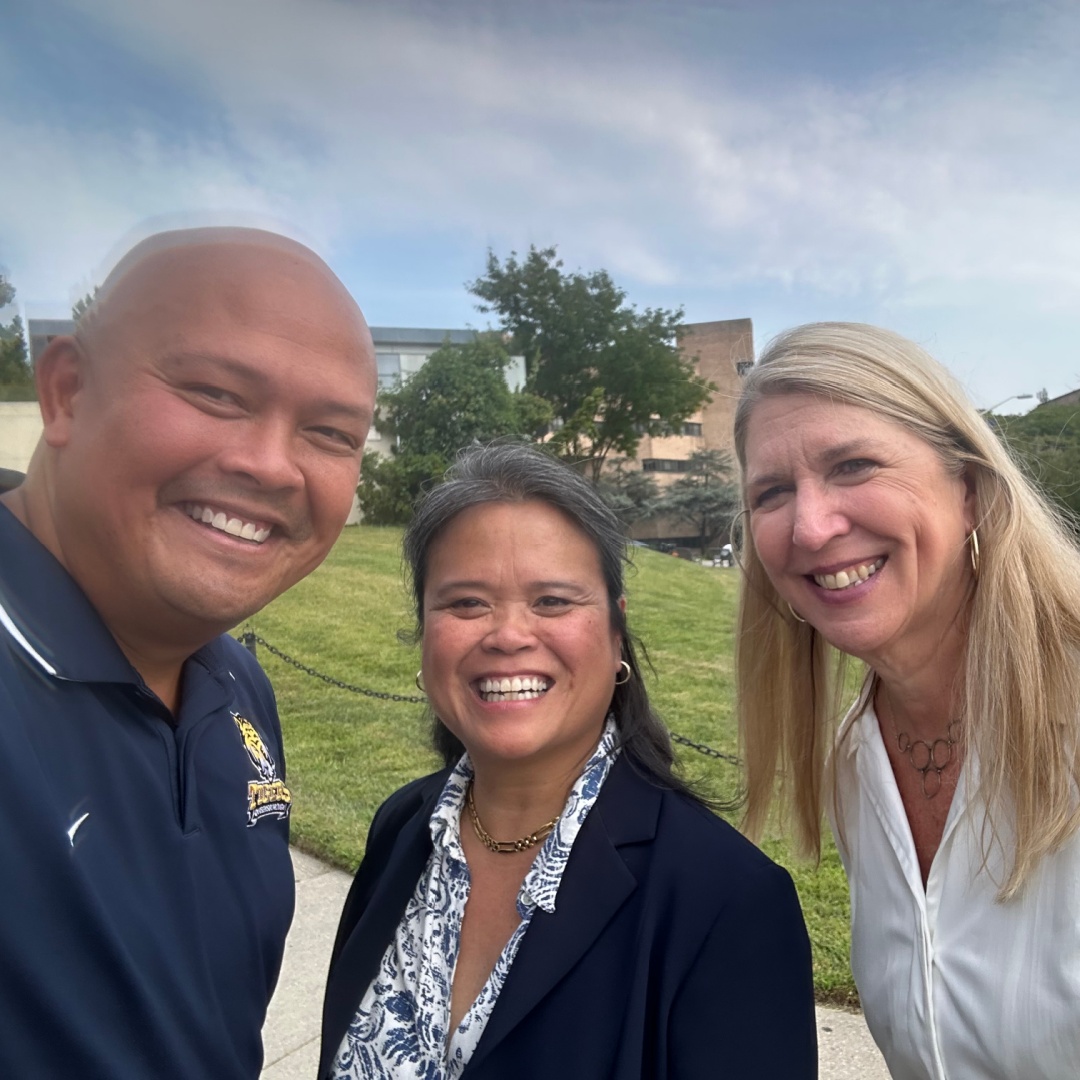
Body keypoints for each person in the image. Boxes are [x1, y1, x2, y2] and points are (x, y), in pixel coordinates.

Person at [0, 227, 377, 1079]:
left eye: (329, 432)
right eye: (215, 393)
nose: (272, 465)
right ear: (66, 393)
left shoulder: (235, 684)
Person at [320, 442, 816, 1080]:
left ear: (616, 636)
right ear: (425, 633)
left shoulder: (727, 899)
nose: (507, 634)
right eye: (466, 603)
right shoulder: (400, 830)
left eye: (553, 600)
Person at [733, 322, 1080, 1080]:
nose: (811, 525)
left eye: (853, 465)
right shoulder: (856, 764)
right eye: (773, 492)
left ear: (969, 488)